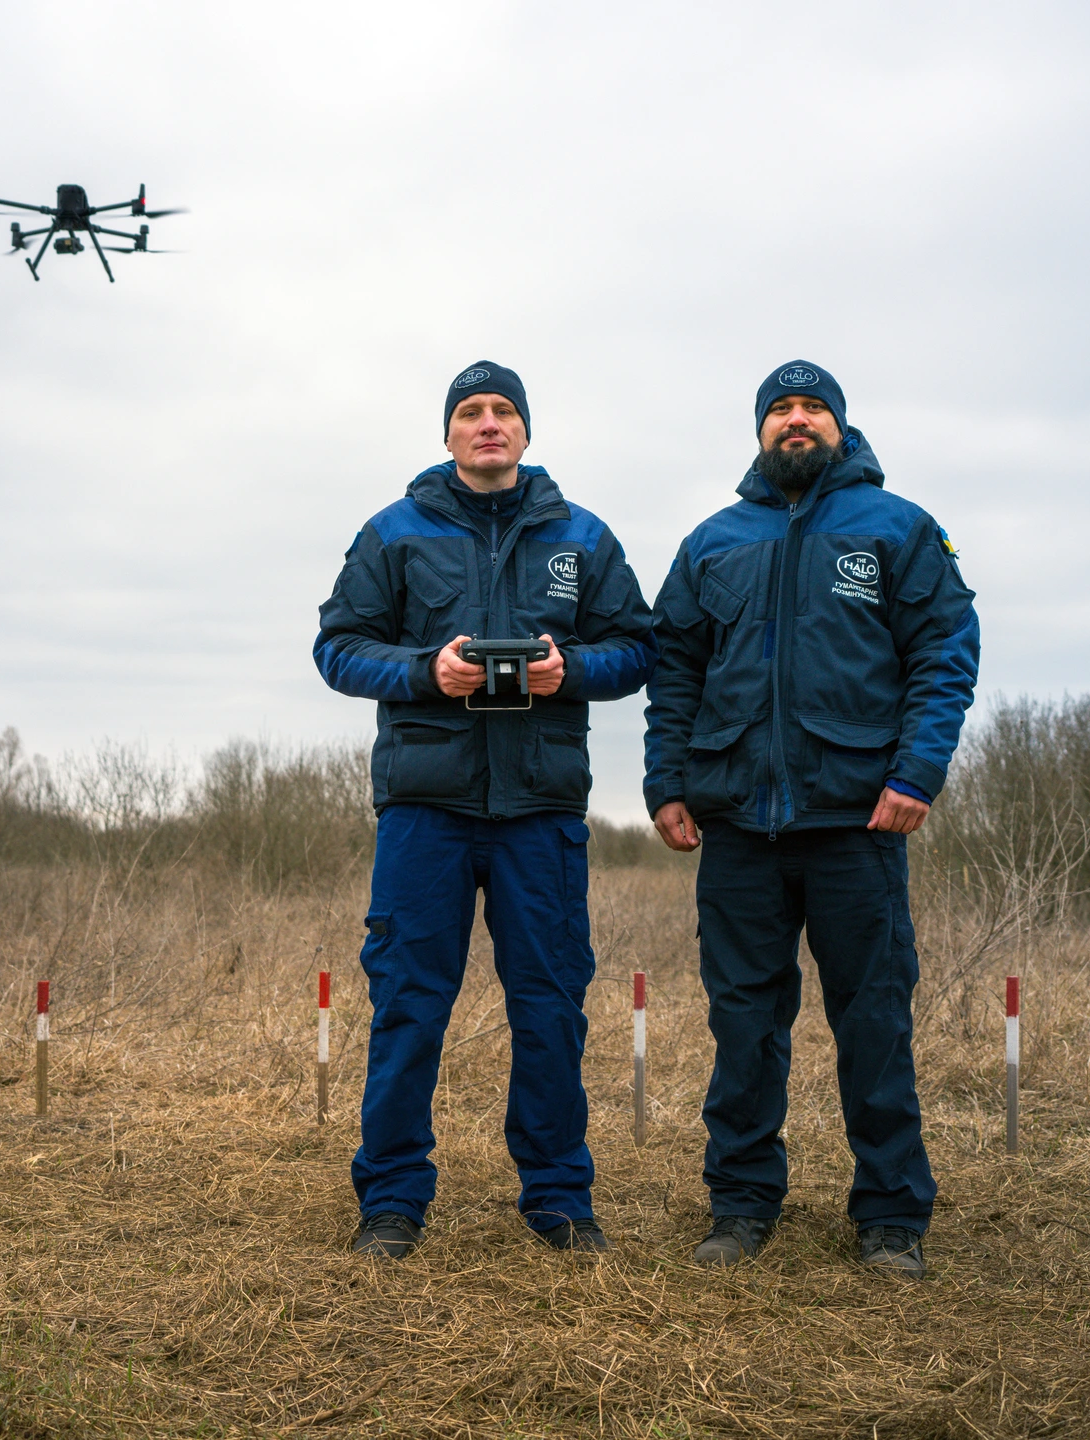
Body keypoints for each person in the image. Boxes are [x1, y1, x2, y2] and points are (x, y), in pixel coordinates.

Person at [642, 360, 978, 1279]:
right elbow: (673, 671)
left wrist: (916, 772)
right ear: (759, 431)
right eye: (780, 409)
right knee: (743, 1026)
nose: (797, 420)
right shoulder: (713, 541)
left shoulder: (897, 528)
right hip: (739, 829)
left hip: (857, 824)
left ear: (840, 425)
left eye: (813, 408)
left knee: (873, 1021)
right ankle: (742, 1207)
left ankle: (891, 1218)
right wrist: (665, 783)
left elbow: (946, 652)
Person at [314, 360, 655, 1258]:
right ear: (450, 434)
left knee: (550, 1006)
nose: (489, 423)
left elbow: (635, 648)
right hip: (425, 810)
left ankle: (558, 1200)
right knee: (408, 1004)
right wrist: (430, 670)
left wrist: (566, 670)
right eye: (471, 411)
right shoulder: (393, 534)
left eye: (504, 410)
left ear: (526, 433)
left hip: (541, 812)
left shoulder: (583, 538)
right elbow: (338, 649)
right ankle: (390, 1202)